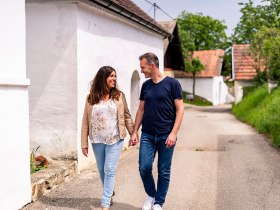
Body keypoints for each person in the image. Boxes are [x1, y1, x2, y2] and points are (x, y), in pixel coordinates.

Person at [129, 53, 184, 210]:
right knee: (144, 167)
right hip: (147, 134)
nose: (141, 71)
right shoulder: (146, 86)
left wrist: (173, 133)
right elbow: (141, 110)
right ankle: (152, 195)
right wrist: (134, 132)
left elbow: (180, 110)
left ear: (152, 66)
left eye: (143, 67)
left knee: (163, 171)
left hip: (166, 135)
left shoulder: (172, 84)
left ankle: (159, 203)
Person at [81, 66, 134, 210]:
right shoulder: (91, 98)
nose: (114, 79)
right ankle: (109, 192)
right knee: (101, 169)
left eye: (115, 76)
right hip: (97, 139)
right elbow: (85, 119)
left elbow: (127, 115)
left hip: (115, 138)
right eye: (111, 76)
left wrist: (133, 133)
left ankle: (105, 203)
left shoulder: (119, 95)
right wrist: (83, 143)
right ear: (103, 78)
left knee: (109, 169)